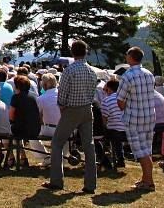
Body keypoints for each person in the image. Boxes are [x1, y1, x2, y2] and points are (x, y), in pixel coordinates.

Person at [43, 40, 97, 194]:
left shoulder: (69, 70)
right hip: (87, 109)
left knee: (57, 143)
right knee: (89, 146)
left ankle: (56, 181)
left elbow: (62, 94)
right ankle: (90, 185)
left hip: (71, 110)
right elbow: (93, 93)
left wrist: (63, 107)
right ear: (85, 52)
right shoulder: (92, 71)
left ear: (72, 53)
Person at [117, 46, 157, 191]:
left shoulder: (127, 76)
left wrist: (128, 103)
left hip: (134, 118)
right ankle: (146, 179)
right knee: (147, 149)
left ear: (130, 57)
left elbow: (120, 102)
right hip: (149, 116)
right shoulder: (149, 74)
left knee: (141, 152)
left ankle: (149, 182)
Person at [30, 72, 64, 168]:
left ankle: (46, 157)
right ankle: (58, 158)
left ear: (44, 85)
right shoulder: (63, 95)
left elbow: (38, 117)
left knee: (31, 136)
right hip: (64, 128)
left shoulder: (41, 99)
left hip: (49, 129)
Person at [9, 74, 41, 166]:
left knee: (9, 134)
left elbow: (11, 116)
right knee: (16, 131)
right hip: (35, 129)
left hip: (21, 130)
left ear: (17, 86)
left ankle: (11, 158)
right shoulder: (33, 97)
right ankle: (23, 157)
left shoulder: (15, 97)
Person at [100, 80, 127, 168]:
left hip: (115, 132)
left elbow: (104, 120)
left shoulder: (106, 101)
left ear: (109, 89)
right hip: (129, 131)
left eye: (106, 89)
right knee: (116, 133)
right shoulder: (125, 98)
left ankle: (105, 159)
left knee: (109, 133)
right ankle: (120, 158)